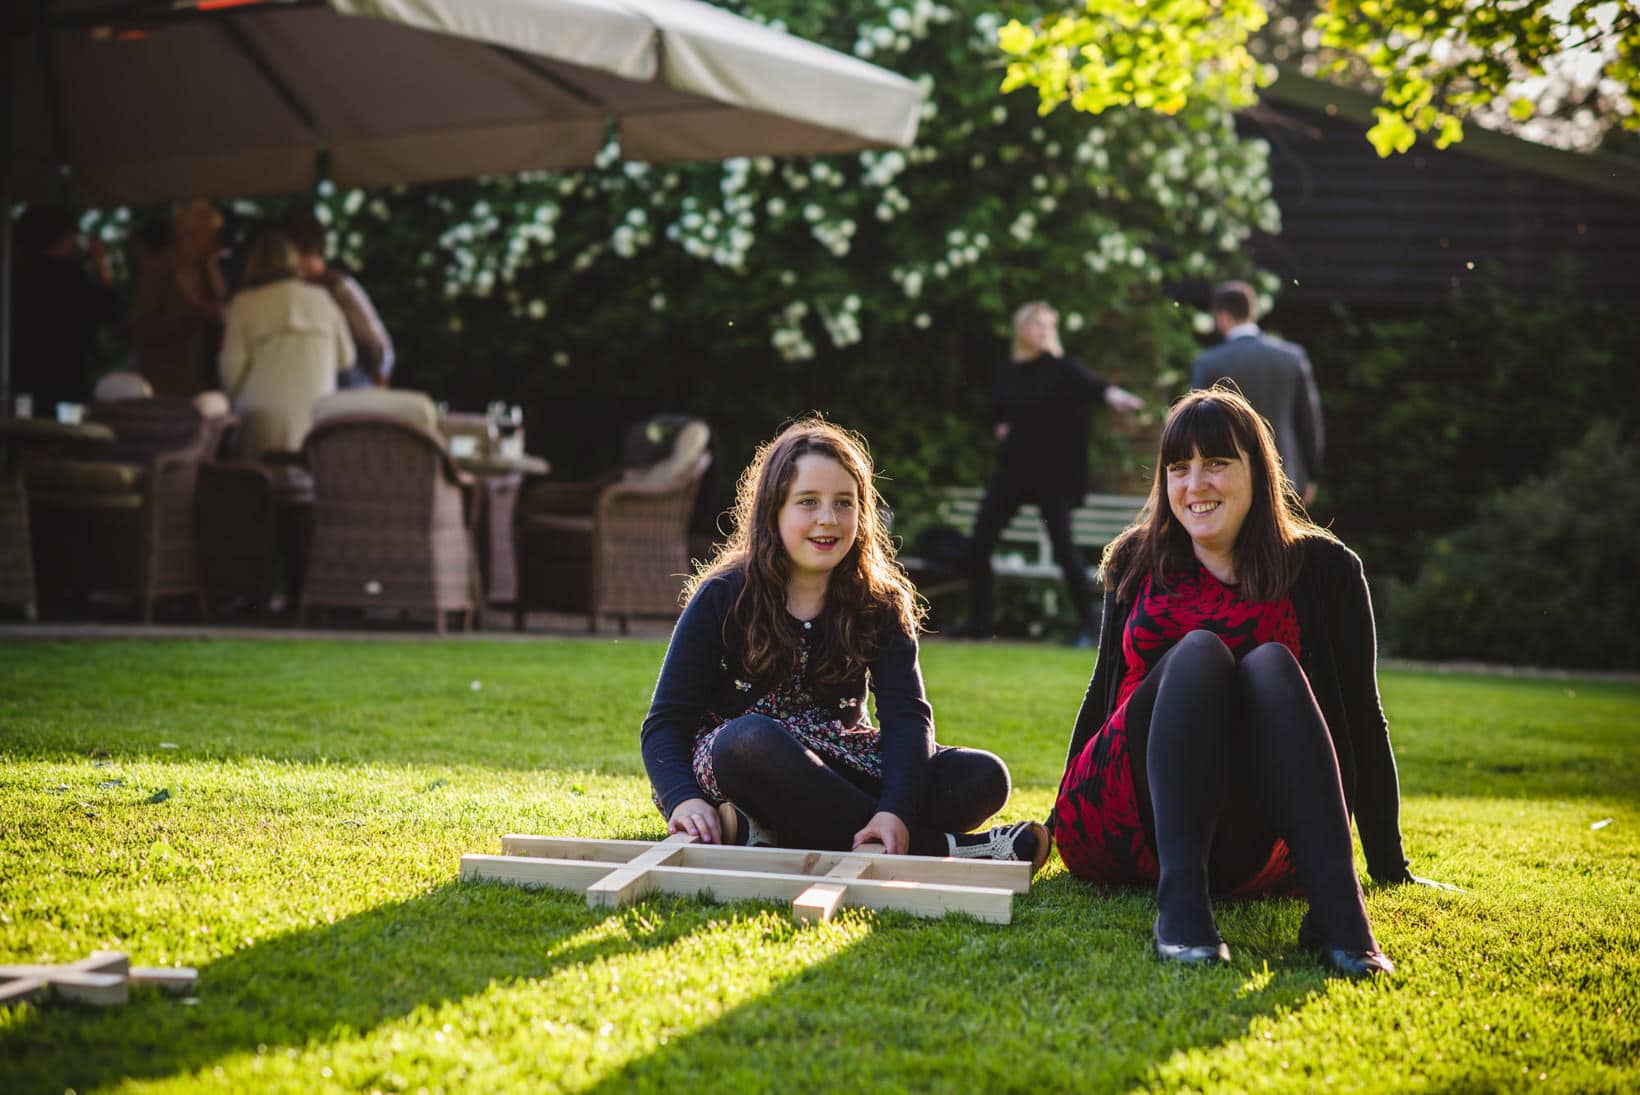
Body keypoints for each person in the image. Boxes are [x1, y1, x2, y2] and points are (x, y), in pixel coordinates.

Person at [1050, 387, 1449, 977]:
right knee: (1200, 654)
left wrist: (1388, 862)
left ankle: (1341, 917)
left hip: (1254, 831)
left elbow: (1361, 716)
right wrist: (1056, 818)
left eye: (1216, 462)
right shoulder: (1136, 558)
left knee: (1270, 664)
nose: (1194, 484)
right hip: (1130, 813)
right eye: (1178, 468)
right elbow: (1101, 691)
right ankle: (1180, 907)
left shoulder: (1323, 570)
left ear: (1257, 473)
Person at [642, 416, 1050, 868]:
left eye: (843, 503)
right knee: (753, 739)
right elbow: (665, 722)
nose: (827, 519)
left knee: (981, 776)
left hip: (840, 756)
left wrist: (896, 809)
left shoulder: (879, 601)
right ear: (773, 510)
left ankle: (766, 832)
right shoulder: (724, 594)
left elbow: (906, 717)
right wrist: (682, 800)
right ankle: (946, 851)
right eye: (807, 502)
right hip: (736, 761)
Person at [952, 301, 1144, 646]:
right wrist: (1002, 427)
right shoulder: (1009, 370)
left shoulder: (1061, 368)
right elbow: (999, 409)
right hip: (1013, 470)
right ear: (1022, 329)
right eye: (1036, 325)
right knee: (979, 543)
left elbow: (1096, 388)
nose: (1042, 331)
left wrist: (1118, 398)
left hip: (1050, 475)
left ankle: (1091, 627)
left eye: (1047, 326)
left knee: (1064, 549)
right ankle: (979, 622)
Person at [218, 228, 355, 464]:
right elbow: (347, 359)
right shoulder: (322, 298)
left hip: (261, 426)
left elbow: (231, 373)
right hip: (317, 423)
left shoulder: (243, 304)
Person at [1189, 281, 1324, 506]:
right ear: (1252, 311)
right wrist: (1310, 475)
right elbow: (1309, 422)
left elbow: (1196, 427)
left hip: (1227, 478)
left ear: (1221, 316)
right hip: (1285, 475)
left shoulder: (1208, 363)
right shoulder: (1292, 357)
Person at [9, 204, 119, 414]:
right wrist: (102, 266)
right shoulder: (70, 276)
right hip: (66, 375)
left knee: (25, 428)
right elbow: (108, 310)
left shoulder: (16, 272)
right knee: (67, 436)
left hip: (23, 375)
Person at [281, 210, 395, 389]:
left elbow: (377, 348)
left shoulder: (335, 286)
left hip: (347, 382)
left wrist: (376, 383)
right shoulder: (335, 285)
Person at [128, 199, 228, 397]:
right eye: (210, 232)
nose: (215, 240)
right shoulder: (158, 270)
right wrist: (191, 318)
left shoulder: (206, 269)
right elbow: (143, 325)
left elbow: (220, 305)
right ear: (190, 233)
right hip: (167, 376)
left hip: (202, 375)